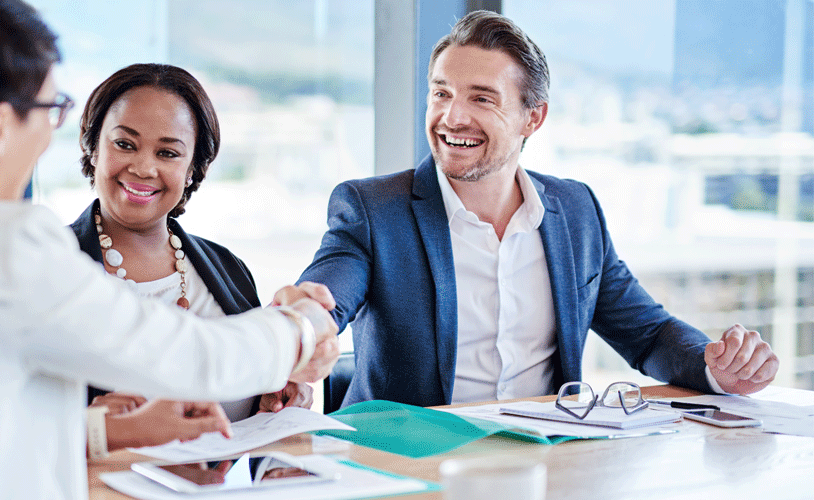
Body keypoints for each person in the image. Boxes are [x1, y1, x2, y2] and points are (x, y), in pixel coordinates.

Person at [0, 1, 339, 498]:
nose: (49, 132)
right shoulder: (4, 248)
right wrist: (302, 325)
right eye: (50, 108)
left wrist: (108, 429)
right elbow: (194, 357)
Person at [298, 10, 778, 409]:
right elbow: (326, 297)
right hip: (413, 467)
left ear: (534, 117)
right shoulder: (373, 209)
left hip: (547, 465)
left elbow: (648, 334)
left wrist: (717, 367)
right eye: (441, 93)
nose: (452, 117)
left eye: (481, 98)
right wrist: (303, 319)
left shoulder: (576, 211)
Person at [69, 63, 313, 451]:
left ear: (192, 170)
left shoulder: (228, 269)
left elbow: (250, 407)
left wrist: (271, 397)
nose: (143, 167)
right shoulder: (54, 267)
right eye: (124, 144)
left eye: (168, 152)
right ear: (93, 147)